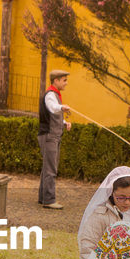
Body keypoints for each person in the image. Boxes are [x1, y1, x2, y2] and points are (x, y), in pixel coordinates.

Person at [77, 166, 130, 259]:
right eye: (121, 198)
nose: (127, 202)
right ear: (112, 193)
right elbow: (88, 249)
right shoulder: (100, 215)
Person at [38, 68, 72, 209]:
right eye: (64, 80)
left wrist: (64, 123)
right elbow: (53, 108)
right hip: (49, 136)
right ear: (56, 81)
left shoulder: (55, 94)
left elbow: (53, 115)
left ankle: (43, 198)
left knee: (47, 167)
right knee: (51, 169)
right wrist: (62, 107)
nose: (66, 83)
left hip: (53, 136)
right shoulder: (50, 95)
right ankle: (49, 200)